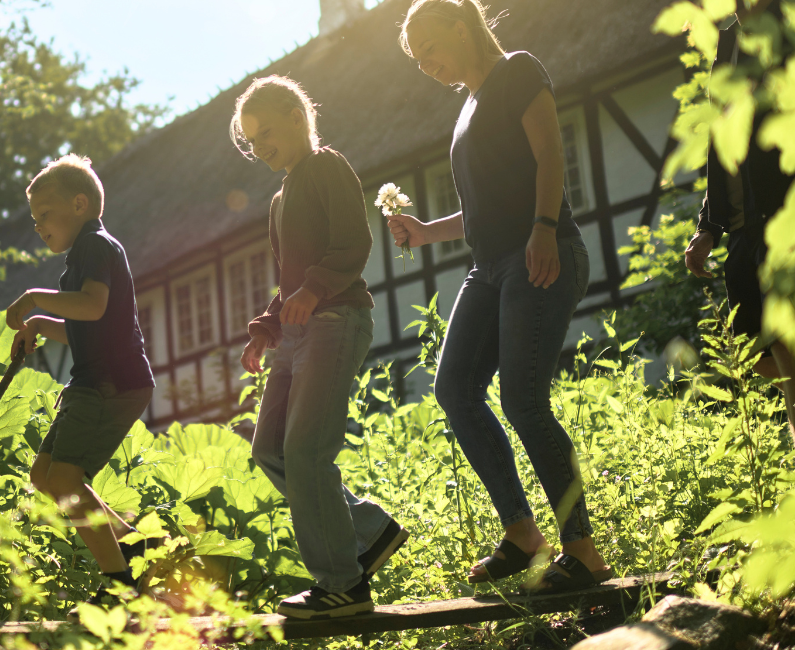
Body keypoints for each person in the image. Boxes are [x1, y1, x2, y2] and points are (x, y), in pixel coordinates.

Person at [389, 0, 612, 593]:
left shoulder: (517, 70)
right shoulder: (467, 108)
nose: (425, 64)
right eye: (416, 59)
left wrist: (544, 227)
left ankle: (583, 551)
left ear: (462, 28)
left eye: (430, 48)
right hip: (488, 267)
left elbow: (550, 154)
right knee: (455, 389)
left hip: (541, 251)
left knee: (523, 401)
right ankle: (521, 533)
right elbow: (481, 211)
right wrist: (424, 231)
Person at [231, 75, 409, 619]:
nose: (260, 149)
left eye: (265, 134)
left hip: (336, 320)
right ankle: (369, 531)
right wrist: (266, 327)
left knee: (307, 451)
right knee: (270, 449)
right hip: (296, 334)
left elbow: (353, 243)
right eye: (251, 143)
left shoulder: (327, 167)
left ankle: (342, 585)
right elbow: (290, 281)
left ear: (296, 116)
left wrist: (313, 289)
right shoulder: (279, 201)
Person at [684, 0, 795, 479]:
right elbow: (722, 142)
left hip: (792, 215)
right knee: (759, 358)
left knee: (789, 351)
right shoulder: (728, 42)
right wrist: (708, 226)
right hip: (743, 229)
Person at [5, 154, 156, 609]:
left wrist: (34, 298)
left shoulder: (95, 244)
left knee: (67, 479)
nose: (38, 226)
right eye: (34, 219)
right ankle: (135, 545)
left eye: (44, 214)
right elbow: (83, 328)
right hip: (95, 381)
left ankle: (120, 586)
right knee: (44, 475)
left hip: (111, 382)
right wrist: (37, 325)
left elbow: (92, 306)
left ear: (79, 204)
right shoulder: (78, 262)